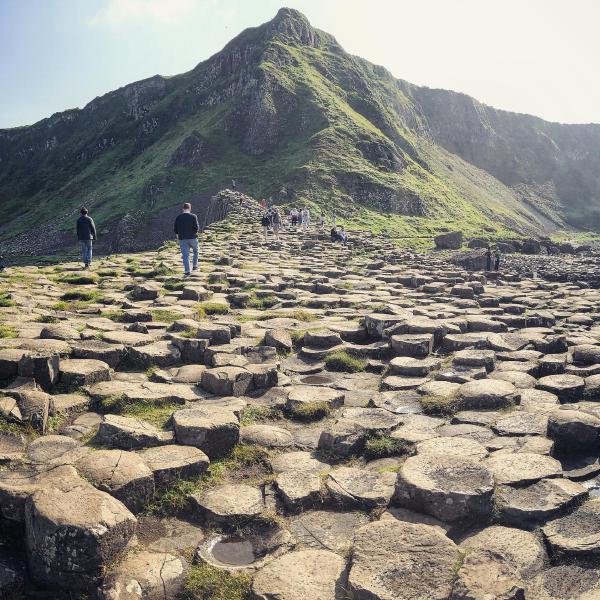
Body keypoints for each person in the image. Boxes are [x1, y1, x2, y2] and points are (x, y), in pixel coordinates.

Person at [174, 202, 200, 277]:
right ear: (190, 208)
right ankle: (195, 266)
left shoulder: (178, 217)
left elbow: (175, 229)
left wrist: (178, 238)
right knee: (196, 251)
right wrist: (194, 234)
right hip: (192, 238)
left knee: (185, 255)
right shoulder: (193, 216)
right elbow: (197, 228)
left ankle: (187, 271)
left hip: (182, 239)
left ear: (183, 209)